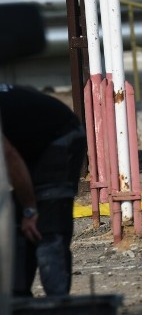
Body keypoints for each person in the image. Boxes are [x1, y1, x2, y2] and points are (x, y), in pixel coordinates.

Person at [0, 84, 86, 297]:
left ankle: (58, 302)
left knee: (48, 224)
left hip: (60, 136)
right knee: (14, 224)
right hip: (29, 142)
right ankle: (16, 298)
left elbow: (10, 158)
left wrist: (30, 209)